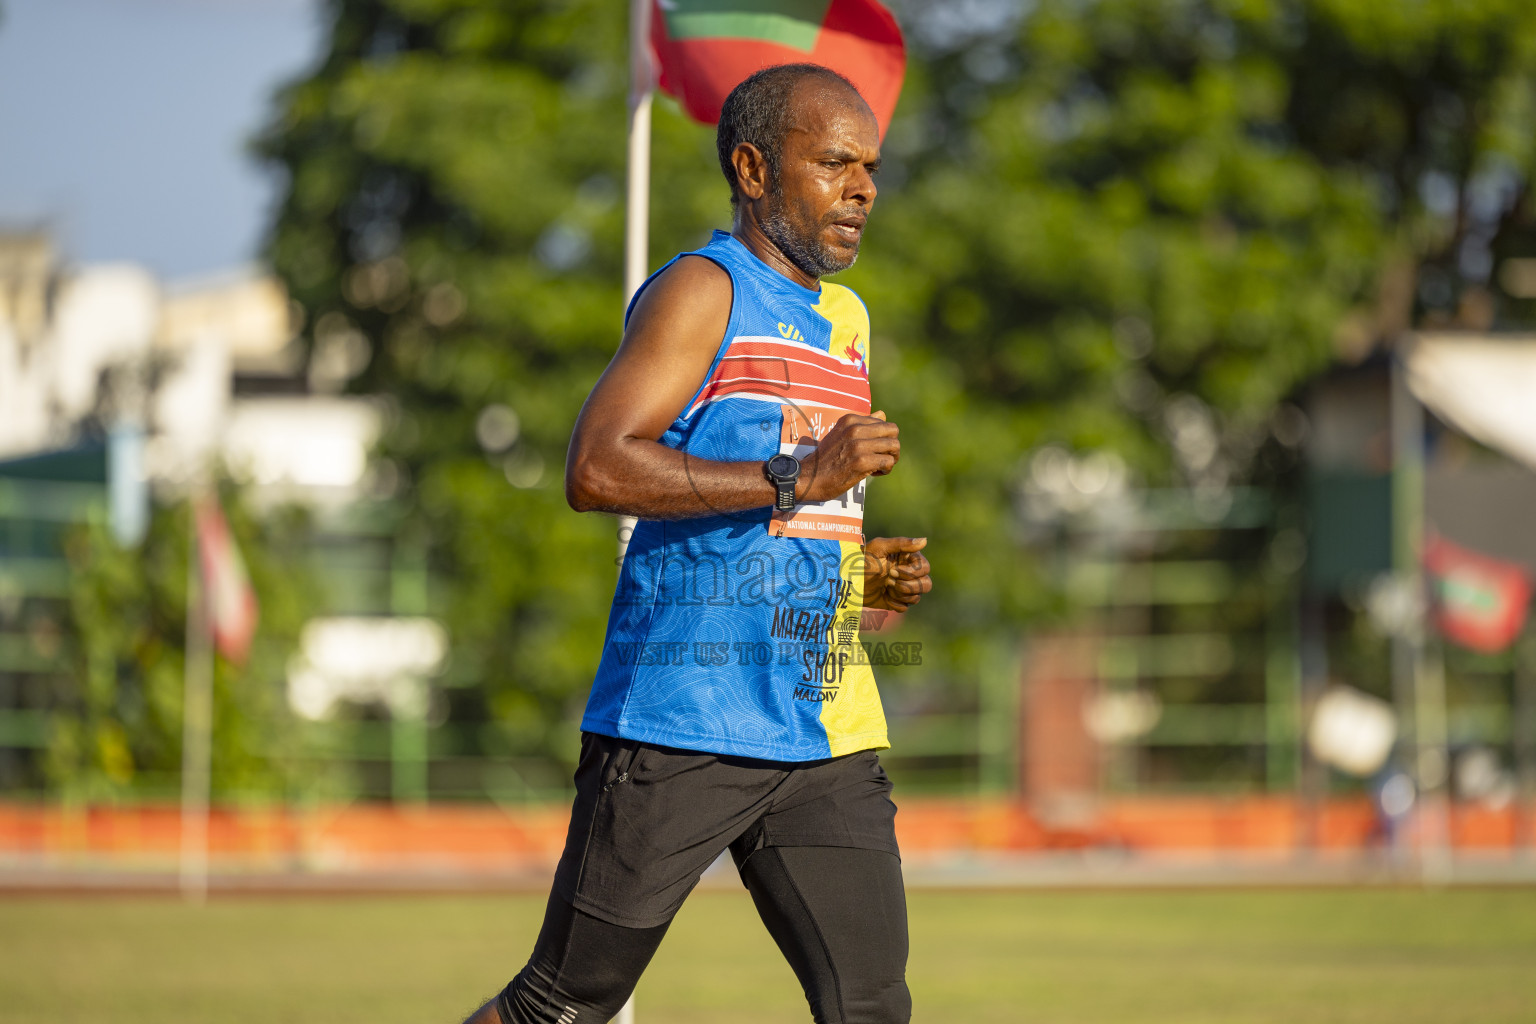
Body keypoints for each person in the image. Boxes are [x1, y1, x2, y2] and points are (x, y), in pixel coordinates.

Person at [464, 62, 933, 1024]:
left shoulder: (847, 319)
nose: (863, 189)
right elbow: (596, 469)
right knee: (561, 1006)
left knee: (871, 1008)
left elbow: (798, 512)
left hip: (823, 728)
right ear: (755, 169)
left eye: (871, 167)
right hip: (685, 721)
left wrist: (861, 577)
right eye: (835, 163)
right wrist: (798, 477)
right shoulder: (701, 291)